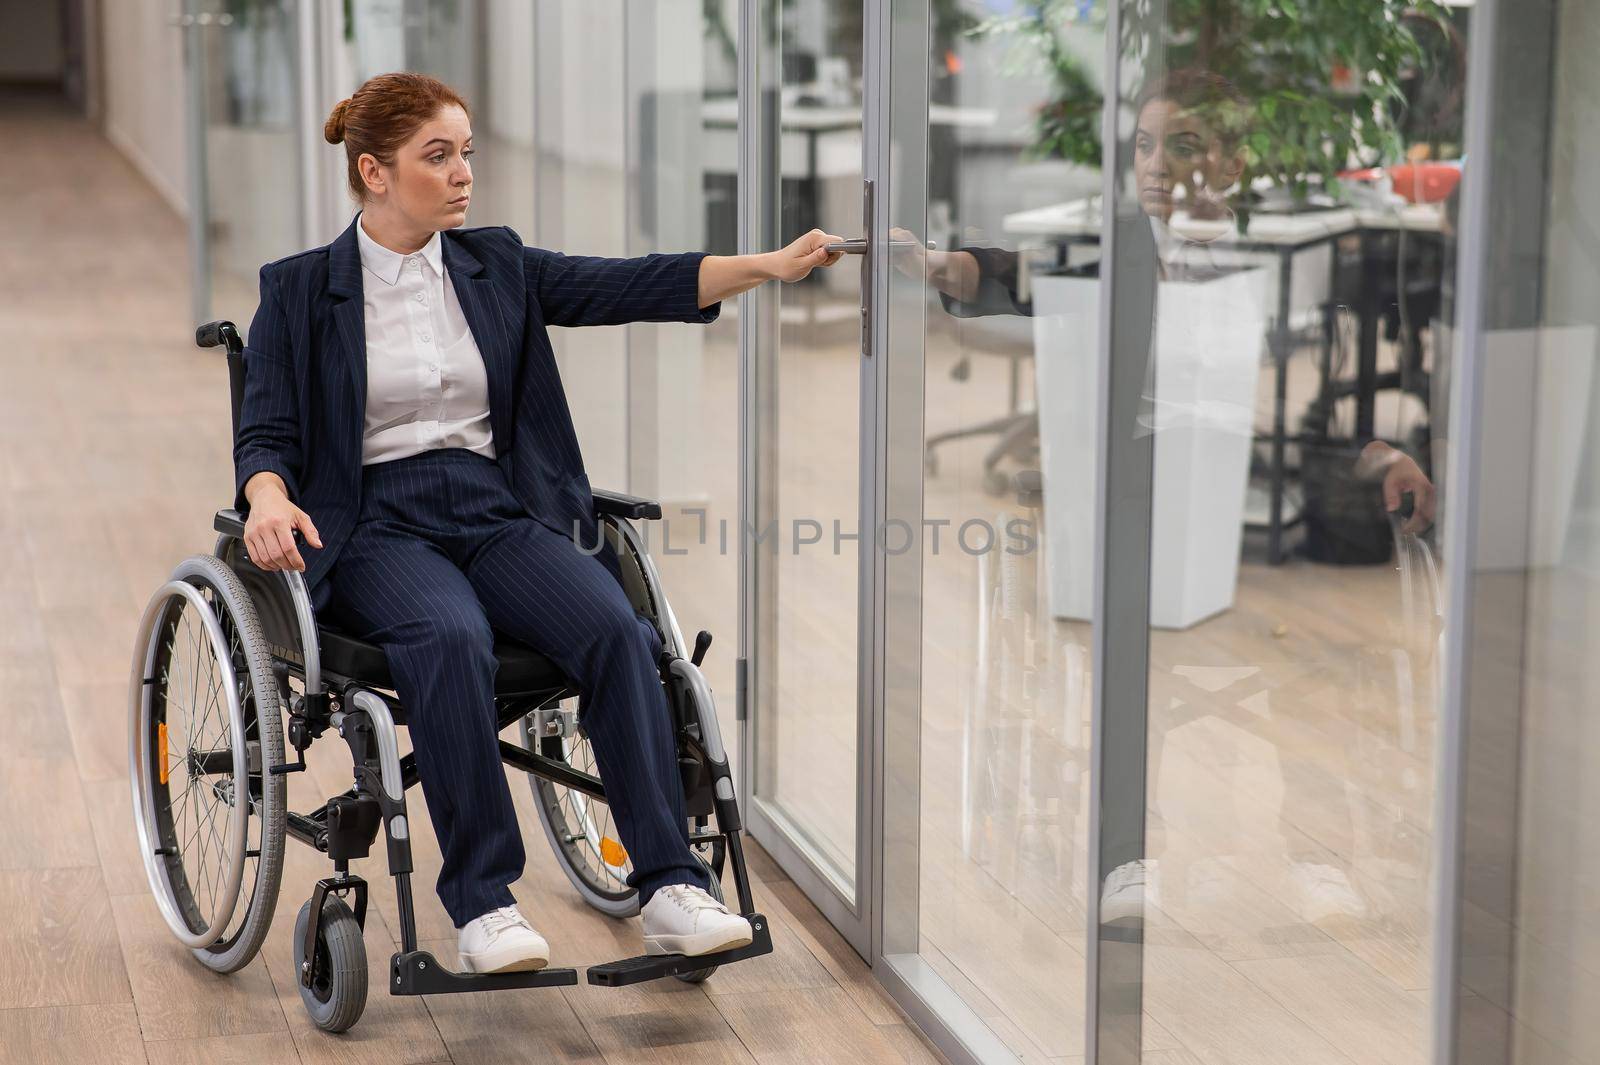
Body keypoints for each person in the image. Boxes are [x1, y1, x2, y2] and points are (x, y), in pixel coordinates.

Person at [235, 72, 845, 974]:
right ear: (373, 170)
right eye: (436, 156)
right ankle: (483, 902)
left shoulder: (496, 265)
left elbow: (627, 283)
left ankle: (672, 883)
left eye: (466, 153)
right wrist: (268, 495)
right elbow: (267, 427)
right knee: (449, 635)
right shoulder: (299, 290)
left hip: (493, 507)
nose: (461, 174)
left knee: (613, 628)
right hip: (374, 523)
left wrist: (770, 266)